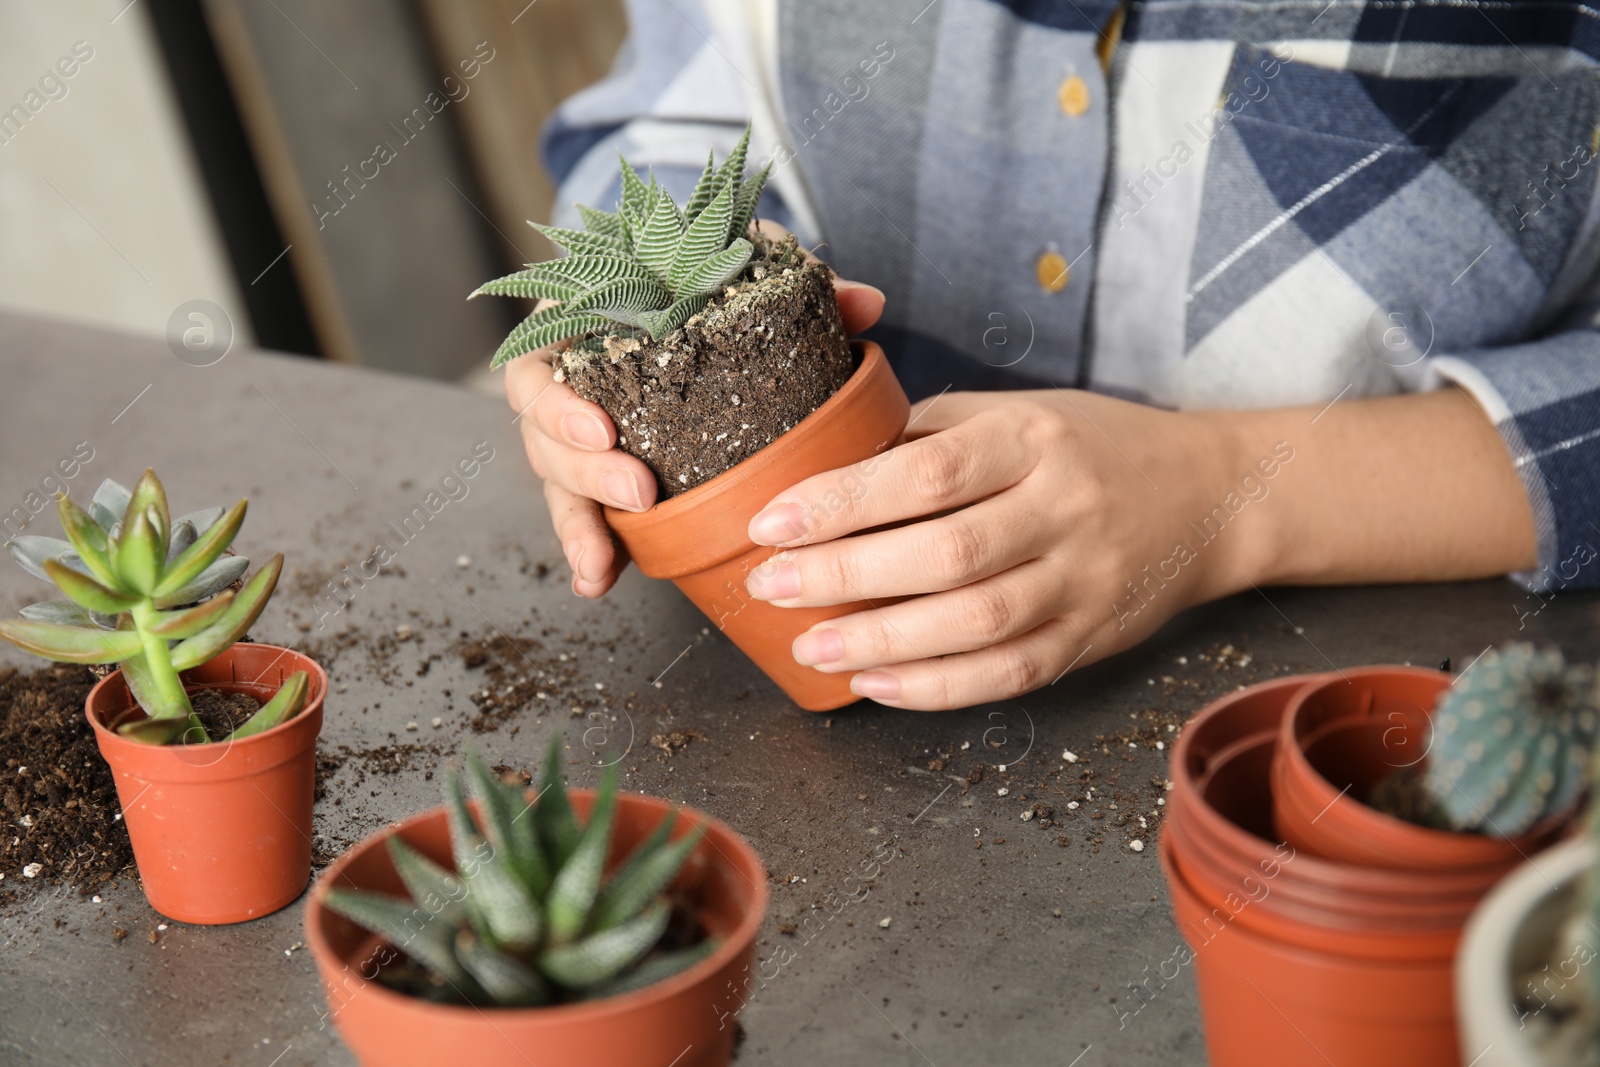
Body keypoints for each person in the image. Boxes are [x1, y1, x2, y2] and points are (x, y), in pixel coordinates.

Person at [505, 0, 1600, 711]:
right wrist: (596, 341)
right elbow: (671, 116)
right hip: (785, 699)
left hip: (1393, 676)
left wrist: (1227, 494)